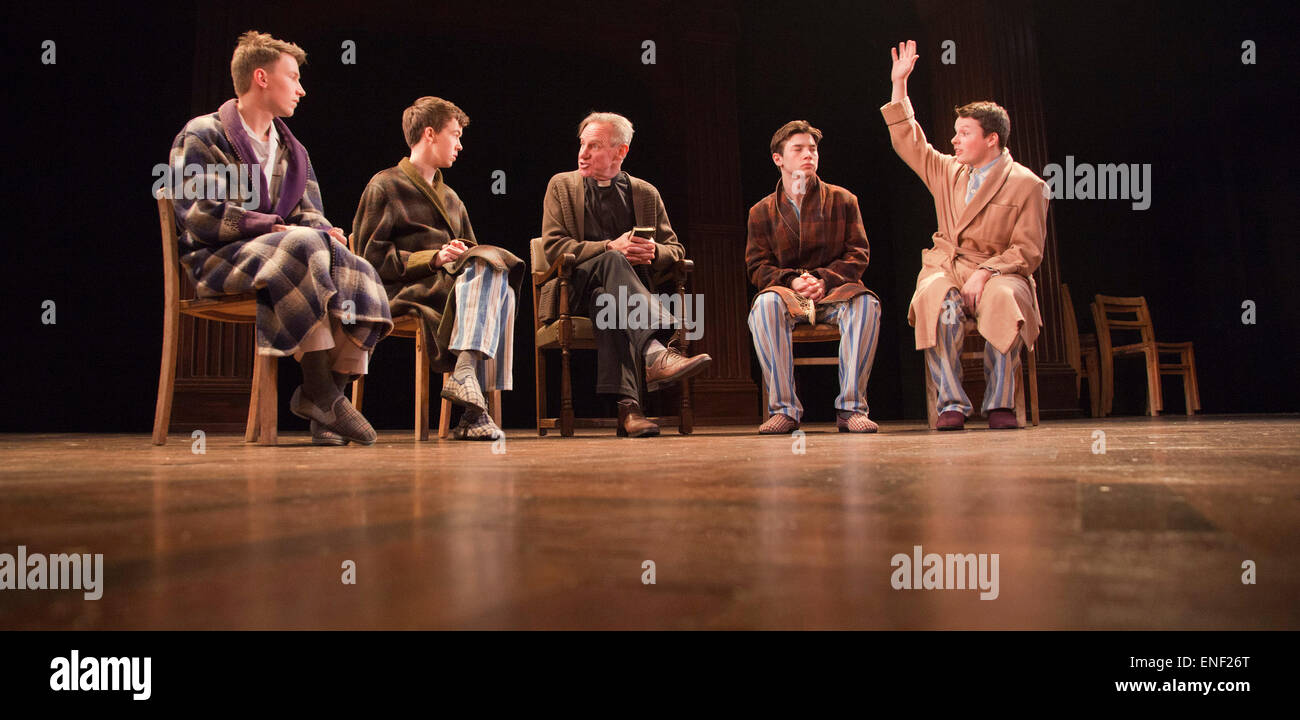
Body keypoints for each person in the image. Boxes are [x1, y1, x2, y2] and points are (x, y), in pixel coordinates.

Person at [168, 30, 392, 445]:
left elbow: (308, 213)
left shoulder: (293, 150)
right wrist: (270, 226)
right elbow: (199, 214)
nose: (302, 90)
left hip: (281, 253)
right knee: (303, 247)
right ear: (261, 78)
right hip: (217, 258)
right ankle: (321, 391)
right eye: (293, 77)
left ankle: (325, 403)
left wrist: (327, 231)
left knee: (355, 266)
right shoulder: (205, 135)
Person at [881, 40, 1048, 430]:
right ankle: (951, 402)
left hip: (1002, 272)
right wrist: (899, 85)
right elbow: (911, 141)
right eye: (955, 133)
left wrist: (987, 272)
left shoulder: (1027, 184)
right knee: (937, 300)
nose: (954, 140)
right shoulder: (948, 171)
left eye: (964, 133)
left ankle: (1001, 402)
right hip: (948, 265)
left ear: (992, 139)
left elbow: (1028, 250)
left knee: (1005, 300)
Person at [352, 97, 523, 440]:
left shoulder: (452, 198)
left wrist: (462, 253)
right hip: (407, 289)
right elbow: (369, 258)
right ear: (429, 134)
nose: (460, 145)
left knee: (497, 278)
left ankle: (466, 382)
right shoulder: (385, 185)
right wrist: (433, 258)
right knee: (491, 284)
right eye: (455, 135)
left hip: (454, 286)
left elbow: (476, 253)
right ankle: (474, 413)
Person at [537, 112, 712, 437]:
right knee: (614, 262)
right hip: (571, 289)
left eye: (593, 146)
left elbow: (674, 249)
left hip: (617, 296)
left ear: (621, 152)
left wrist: (654, 252)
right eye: (582, 145)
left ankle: (629, 411)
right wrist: (608, 247)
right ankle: (658, 352)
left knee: (611, 300)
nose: (582, 154)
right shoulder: (561, 186)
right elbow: (554, 248)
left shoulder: (645, 193)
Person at [745, 121, 881, 434]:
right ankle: (784, 410)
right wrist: (793, 281)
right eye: (799, 149)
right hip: (787, 294)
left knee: (866, 305)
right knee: (764, 305)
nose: (809, 154)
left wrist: (823, 280)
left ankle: (851, 409)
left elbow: (857, 254)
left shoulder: (843, 200)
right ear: (779, 158)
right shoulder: (761, 211)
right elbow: (757, 266)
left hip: (834, 291)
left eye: (813, 149)